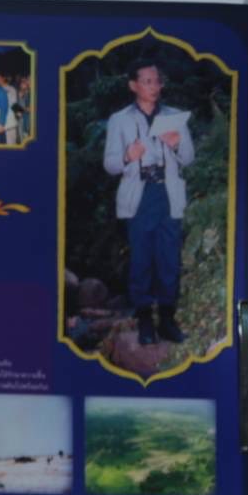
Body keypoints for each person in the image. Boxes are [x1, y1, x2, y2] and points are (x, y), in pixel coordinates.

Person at [103, 56, 196, 345]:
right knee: (141, 260)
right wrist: (127, 156)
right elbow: (110, 164)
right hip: (139, 196)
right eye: (147, 81)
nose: (154, 86)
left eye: (157, 81)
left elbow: (189, 158)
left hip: (168, 194)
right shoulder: (120, 119)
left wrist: (177, 144)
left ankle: (167, 320)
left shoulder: (174, 116)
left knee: (169, 259)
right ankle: (144, 320)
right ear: (133, 85)